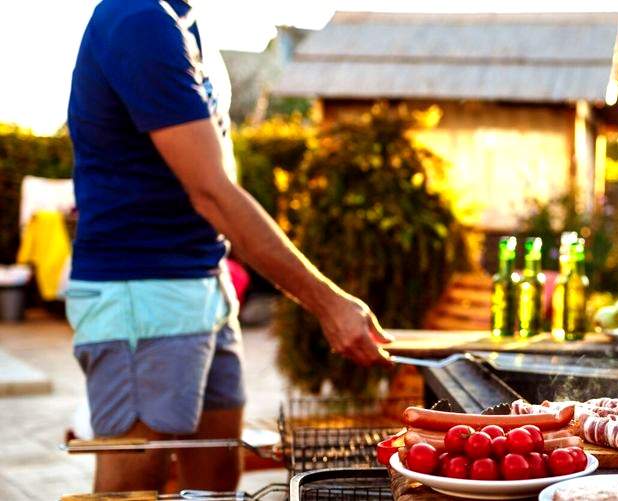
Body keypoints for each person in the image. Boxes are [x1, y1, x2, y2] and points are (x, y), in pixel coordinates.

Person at [66, 0, 391, 492]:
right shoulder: (138, 20)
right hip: (142, 293)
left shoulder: (181, 19)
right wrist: (327, 302)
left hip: (205, 285)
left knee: (217, 480)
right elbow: (212, 191)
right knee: (133, 489)